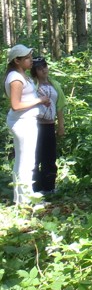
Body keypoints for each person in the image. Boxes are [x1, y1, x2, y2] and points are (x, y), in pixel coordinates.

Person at [4, 45, 50, 205]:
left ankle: (22, 198)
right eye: (28, 58)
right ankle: (26, 200)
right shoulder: (16, 79)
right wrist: (40, 100)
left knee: (22, 161)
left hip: (26, 121)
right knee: (27, 161)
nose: (31, 60)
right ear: (17, 61)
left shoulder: (20, 75)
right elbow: (16, 105)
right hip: (22, 123)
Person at [30, 57, 66, 194]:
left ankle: (49, 187)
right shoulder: (32, 85)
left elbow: (60, 106)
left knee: (50, 157)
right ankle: (35, 187)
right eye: (39, 68)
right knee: (36, 156)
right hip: (35, 125)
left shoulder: (54, 84)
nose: (44, 70)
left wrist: (61, 125)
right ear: (35, 72)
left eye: (45, 66)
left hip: (50, 125)